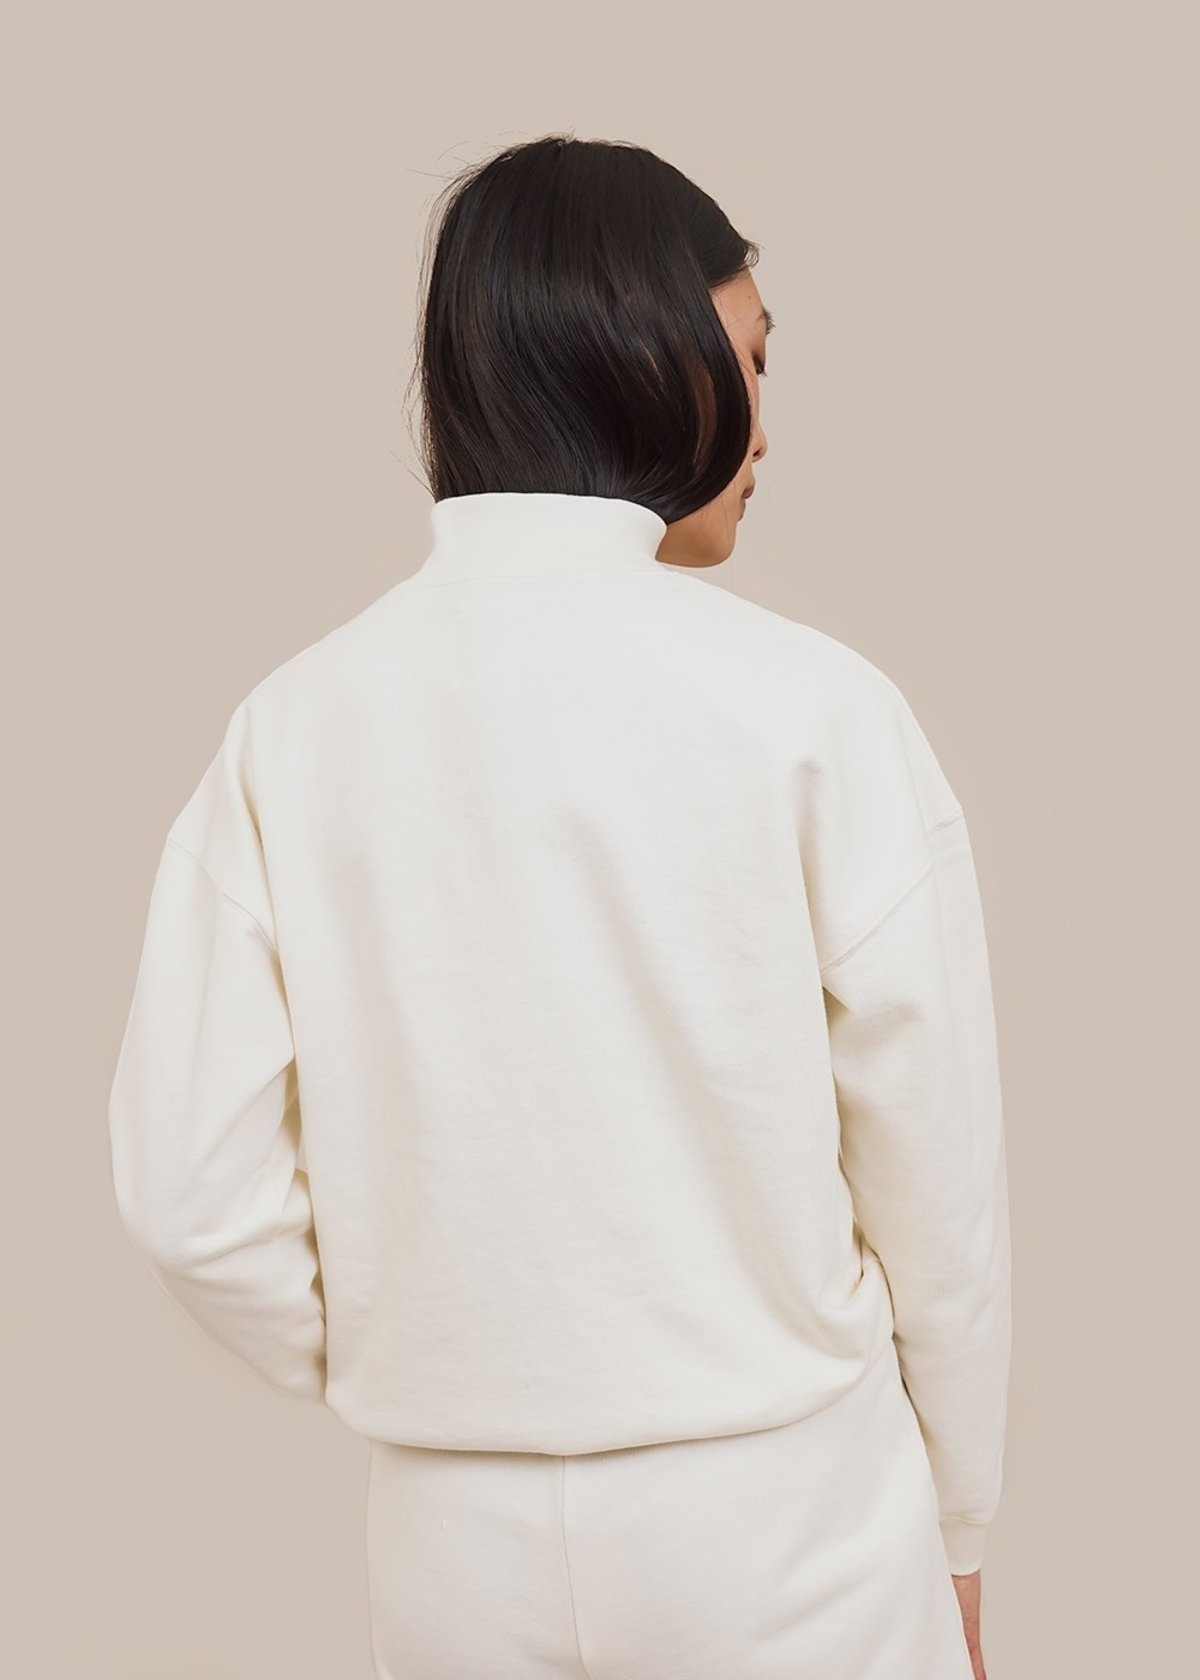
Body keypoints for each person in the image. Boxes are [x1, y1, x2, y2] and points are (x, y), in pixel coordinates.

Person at [107, 133, 1011, 1680]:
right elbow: (939, 1185)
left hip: (450, 1543)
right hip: (788, 1521)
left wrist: (423, 1358)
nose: (766, 428)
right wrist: (966, 1529)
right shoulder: (814, 710)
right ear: (645, 357)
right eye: (751, 364)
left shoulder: (295, 726)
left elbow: (189, 1195)